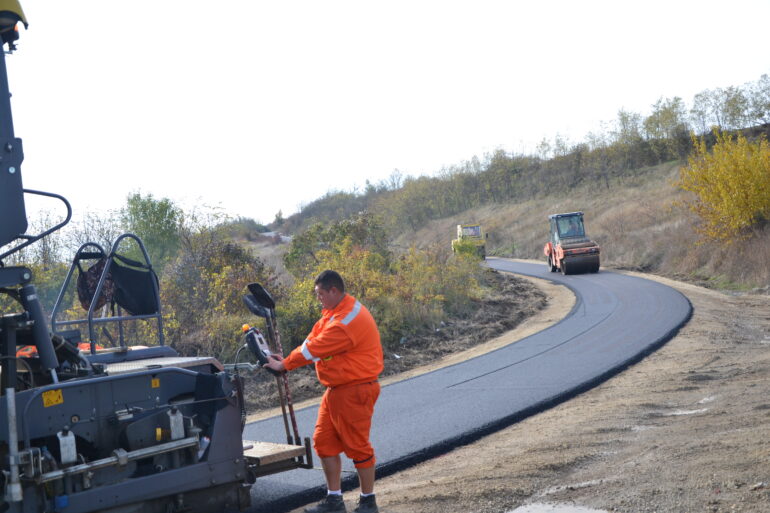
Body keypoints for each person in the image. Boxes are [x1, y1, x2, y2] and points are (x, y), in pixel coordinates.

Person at [265, 270, 384, 513]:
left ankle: (368, 502)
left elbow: (316, 348)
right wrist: (285, 359)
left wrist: (285, 365)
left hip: (355, 389)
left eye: (320, 293)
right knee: (324, 442)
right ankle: (334, 500)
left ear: (334, 291)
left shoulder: (347, 320)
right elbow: (311, 342)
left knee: (357, 446)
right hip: (335, 391)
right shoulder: (332, 314)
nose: (318, 298)